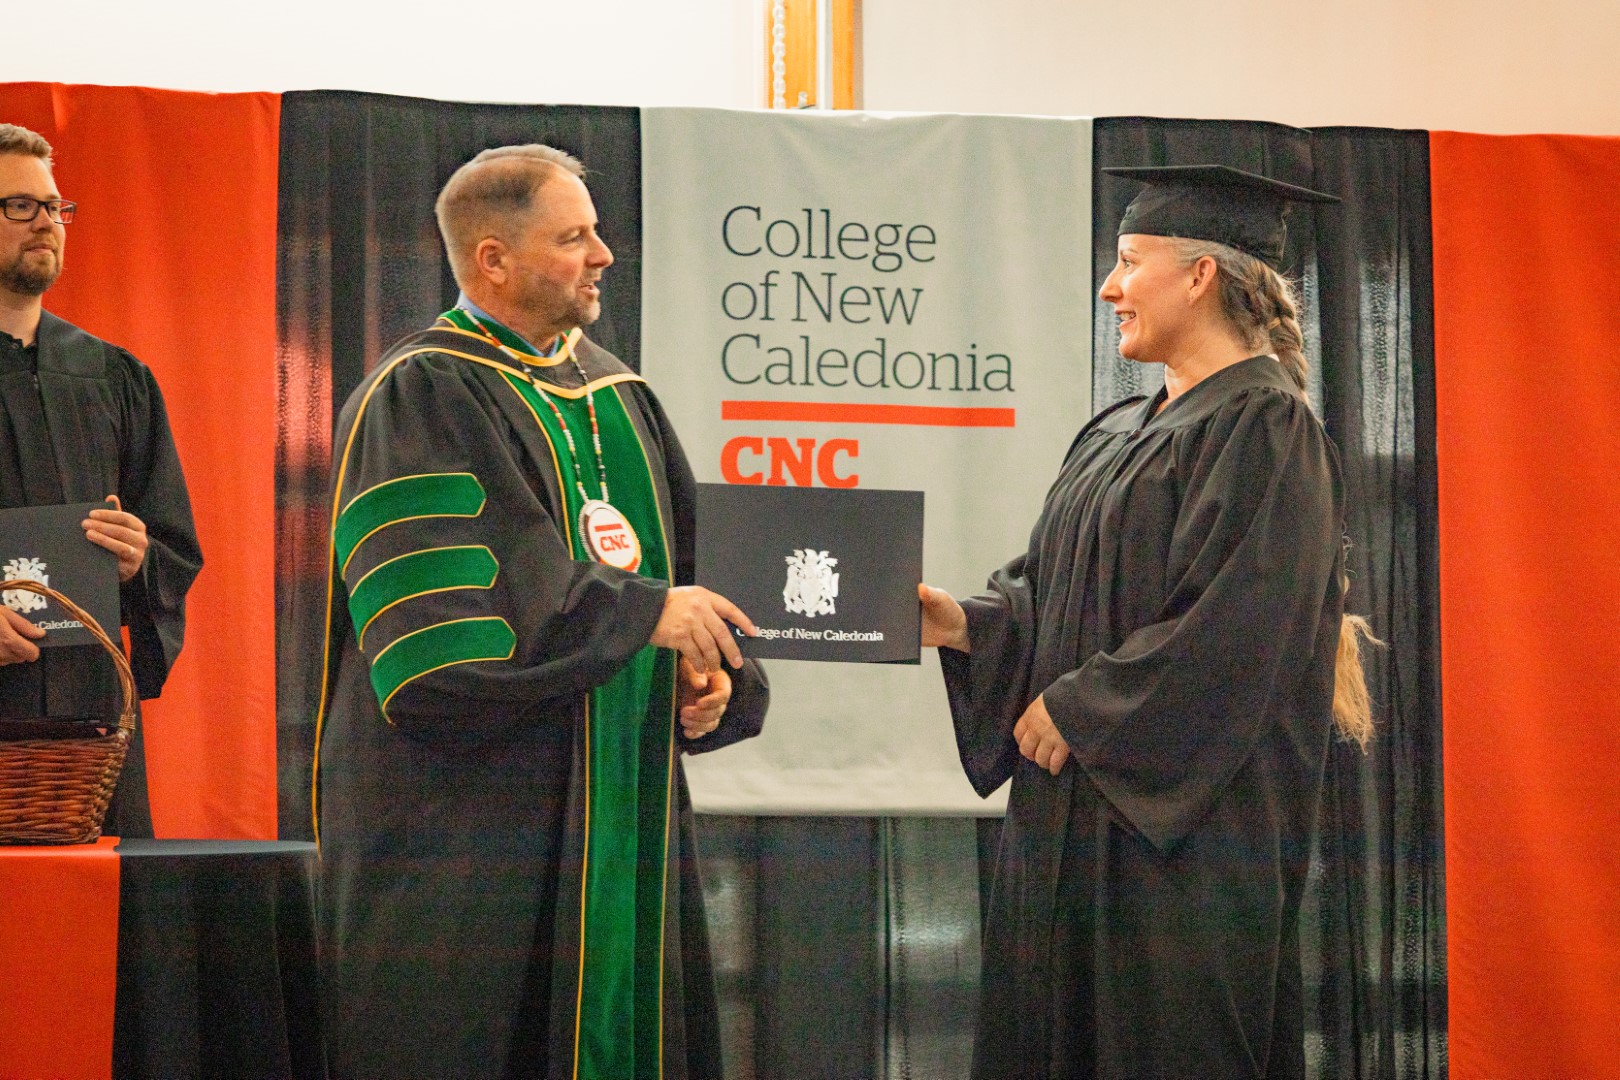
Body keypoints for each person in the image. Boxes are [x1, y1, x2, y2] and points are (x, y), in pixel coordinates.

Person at [315, 144, 770, 1080]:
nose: (604, 255)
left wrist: (707, 676)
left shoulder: (623, 397)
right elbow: (451, 632)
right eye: (573, 238)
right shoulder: (418, 393)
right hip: (474, 828)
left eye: (596, 232)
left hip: (622, 819)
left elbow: (690, 582)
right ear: (493, 259)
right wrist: (641, 616)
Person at [919, 165, 1377, 1079]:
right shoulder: (1117, 428)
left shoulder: (1267, 428)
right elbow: (1058, 594)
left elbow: (1240, 629)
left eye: (1130, 261)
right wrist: (967, 624)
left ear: (1200, 275)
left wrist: (1083, 709)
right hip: (1069, 823)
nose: (1110, 287)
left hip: (1179, 850)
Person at [0, 123, 201, 837]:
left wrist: (138, 556)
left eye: (54, 206)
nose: (47, 222)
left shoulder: (114, 378)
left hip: (86, 730)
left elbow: (172, 544)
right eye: (20, 206)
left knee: (91, 899)